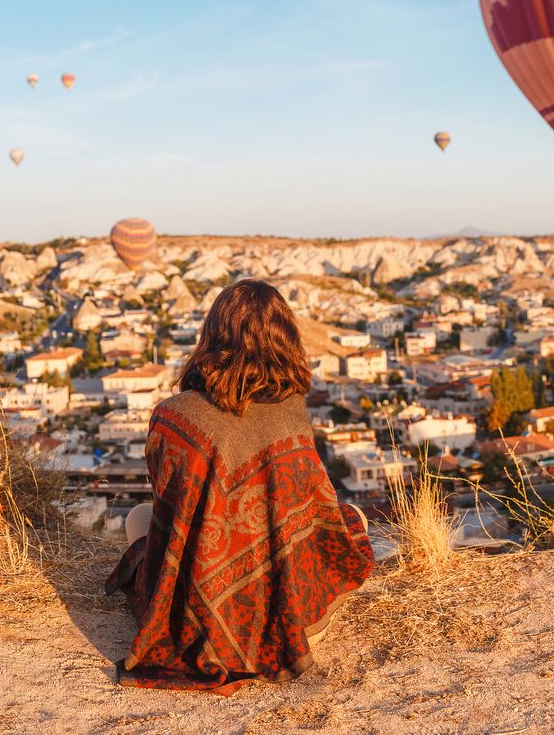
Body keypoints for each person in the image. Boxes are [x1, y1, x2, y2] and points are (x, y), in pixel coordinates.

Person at [104, 279, 374, 693]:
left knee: (138, 517)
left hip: (203, 628)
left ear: (212, 335)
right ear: (284, 338)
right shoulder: (292, 410)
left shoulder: (173, 417)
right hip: (297, 620)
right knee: (352, 518)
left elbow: (168, 510)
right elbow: (312, 505)